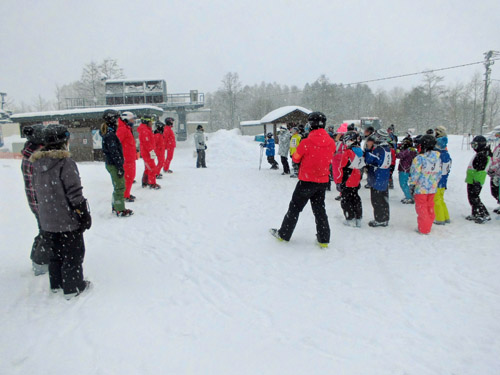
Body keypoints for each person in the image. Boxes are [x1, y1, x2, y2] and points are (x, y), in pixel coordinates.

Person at [31, 124, 92, 300]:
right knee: (73, 254)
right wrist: (83, 213)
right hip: (67, 220)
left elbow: (37, 191)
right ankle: (73, 287)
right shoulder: (65, 163)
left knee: (56, 254)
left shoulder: (37, 163)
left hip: (48, 220)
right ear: (63, 140)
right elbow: (74, 192)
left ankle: (56, 284)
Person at [270, 112, 335, 248]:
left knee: (294, 208)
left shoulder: (306, 142)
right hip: (322, 181)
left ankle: (284, 234)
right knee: (320, 210)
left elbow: (295, 158)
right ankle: (323, 239)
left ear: (310, 125)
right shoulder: (330, 142)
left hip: (306, 181)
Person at [21, 124, 50, 275]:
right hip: (41, 201)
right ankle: (40, 262)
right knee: (46, 232)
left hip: (35, 201)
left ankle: (38, 257)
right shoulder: (36, 156)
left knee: (43, 230)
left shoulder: (29, 151)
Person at [101, 109, 133, 216]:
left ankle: (116, 206)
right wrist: (119, 166)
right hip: (113, 164)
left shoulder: (110, 132)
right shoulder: (110, 135)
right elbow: (114, 152)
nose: (118, 121)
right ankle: (120, 209)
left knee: (118, 186)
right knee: (120, 187)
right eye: (116, 119)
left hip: (112, 163)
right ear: (112, 119)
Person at [409, 135, 442, 234]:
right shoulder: (437, 158)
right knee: (430, 206)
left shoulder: (419, 158)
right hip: (432, 187)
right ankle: (429, 224)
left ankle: (424, 228)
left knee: (421, 207)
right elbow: (439, 173)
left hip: (421, 188)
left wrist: (412, 184)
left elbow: (415, 173)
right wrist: (435, 182)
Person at [335, 131, 364, 227]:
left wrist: (339, 182)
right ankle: (358, 216)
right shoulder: (359, 151)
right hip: (356, 178)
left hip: (347, 179)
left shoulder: (347, 152)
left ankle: (349, 216)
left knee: (346, 199)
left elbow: (341, 168)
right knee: (355, 198)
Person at [364, 129, 392, 227]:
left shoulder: (379, 150)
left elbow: (369, 159)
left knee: (377, 200)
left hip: (377, 178)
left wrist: (368, 148)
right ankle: (385, 217)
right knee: (383, 199)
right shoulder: (387, 148)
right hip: (383, 177)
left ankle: (380, 219)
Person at [465, 135, 492, 223]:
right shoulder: (481, 153)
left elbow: (479, 169)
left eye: (475, 145)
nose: (474, 148)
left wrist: (476, 181)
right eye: (473, 145)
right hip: (473, 178)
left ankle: (483, 214)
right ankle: (476, 213)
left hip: (476, 180)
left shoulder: (482, 155)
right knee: (472, 197)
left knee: (474, 197)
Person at [116, 111, 137, 203]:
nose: (133, 122)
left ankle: (126, 193)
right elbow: (117, 143)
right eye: (132, 120)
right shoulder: (123, 129)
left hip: (130, 157)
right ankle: (125, 195)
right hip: (126, 158)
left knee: (130, 177)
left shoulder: (127, 128)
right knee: (128, 177)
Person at [434, 126, 452, 224]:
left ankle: (440, 218)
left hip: (438, 179)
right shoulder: (446, 154)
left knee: (436, 199)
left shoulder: (439, 154)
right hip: (444, 179)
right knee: (441, 198)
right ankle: (445, 216)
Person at [138, 115, 161, 188]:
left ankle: (145, 181)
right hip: (147, 153)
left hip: (147, 152)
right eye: (150, 121)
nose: (152, 123)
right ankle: (152, 183)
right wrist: (151, 151)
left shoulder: (146, 129)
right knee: (152, 168)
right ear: (146, 122)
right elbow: (147, 143)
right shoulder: (145, 130)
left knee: (148, 168)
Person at [396, 137, 418, 204]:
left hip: (404, 169)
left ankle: (409, 197)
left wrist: (398, 150)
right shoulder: (414, 150)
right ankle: (411, 194)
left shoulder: (408, 150)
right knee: (411, 183)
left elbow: (399, 155)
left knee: (403, 183)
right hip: (412, 169)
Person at [487, 129, 500, 213]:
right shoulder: (498, 146)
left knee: (496, 190)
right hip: (495, 172)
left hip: (497, 172)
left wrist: (495, 168)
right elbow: (495, 158)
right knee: (495, 191)